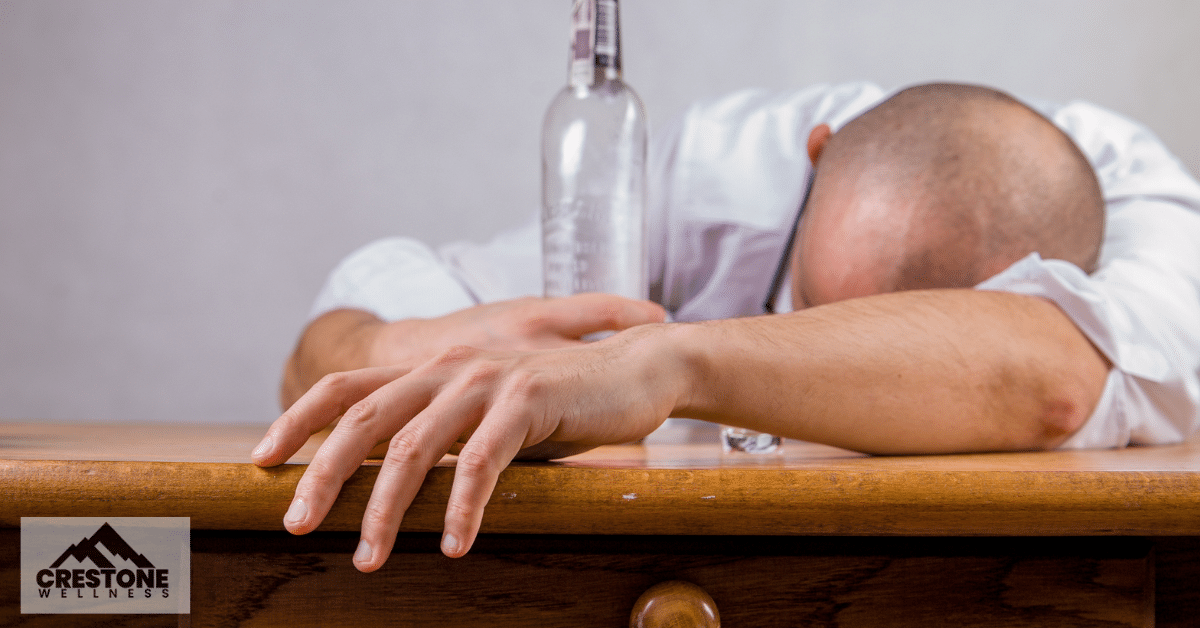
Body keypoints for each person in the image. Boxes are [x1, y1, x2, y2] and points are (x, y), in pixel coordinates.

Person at [252, 82, 1200, 573]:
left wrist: (661, 366)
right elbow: (346, 322)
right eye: (807, 304)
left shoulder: (1148, 207)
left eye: (887, 337)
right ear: (814, 160)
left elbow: (1053, 384)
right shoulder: (717, 171)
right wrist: (394, 350)